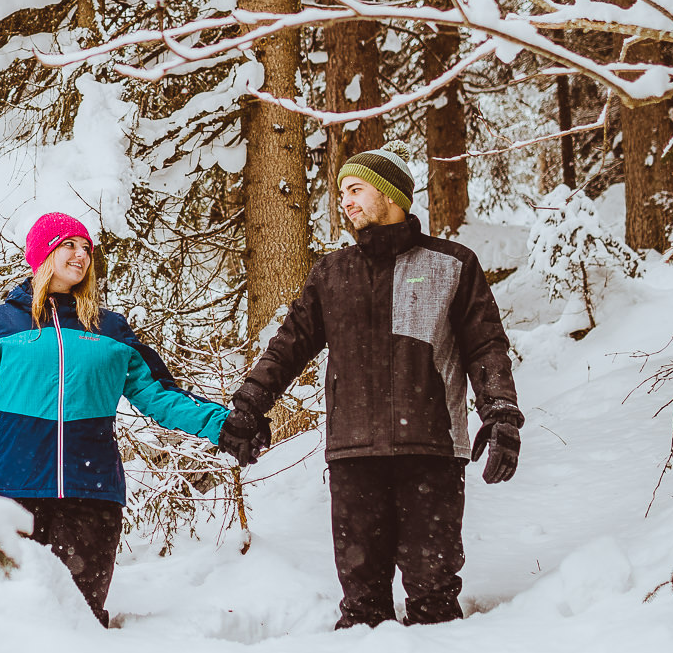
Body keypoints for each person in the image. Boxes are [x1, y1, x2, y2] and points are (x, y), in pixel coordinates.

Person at [221, 145, 523, 628]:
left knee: (434, 599)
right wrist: (248, 405)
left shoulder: (452, 264)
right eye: (342, 192)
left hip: (431, 450)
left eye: (356, 189)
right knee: (361, 609)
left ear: (390, 194)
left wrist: (501, 414)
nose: (346, 201)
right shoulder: (331, 273)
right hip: (354, 454)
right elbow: (287, 347)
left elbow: (485, 346)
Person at [0, 212, 255, 624]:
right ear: (43, 254)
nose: (81, 255)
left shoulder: (109, 329)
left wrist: (223, 424)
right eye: (69, 245)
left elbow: (159, 395)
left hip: (91, 497)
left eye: (86, 248)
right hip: (13, 493)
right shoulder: (1, 324)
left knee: (83, 621)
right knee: (9, 621)